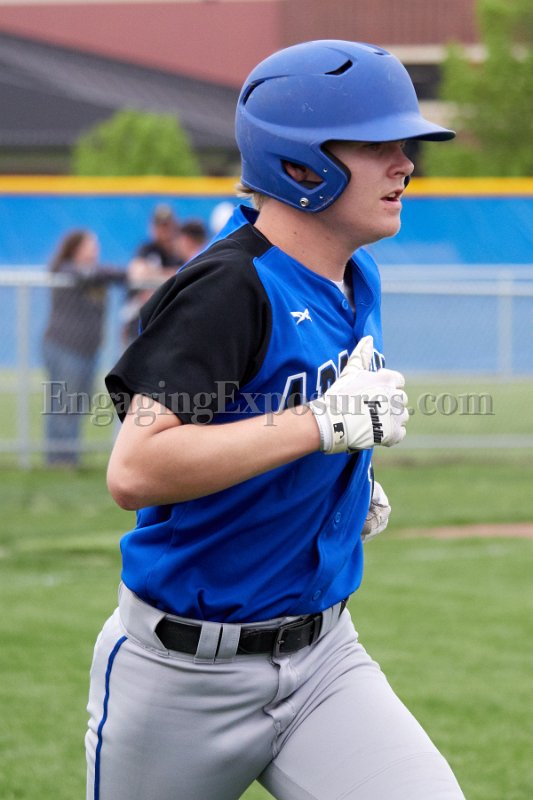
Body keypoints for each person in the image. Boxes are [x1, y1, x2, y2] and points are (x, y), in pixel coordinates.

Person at [86, 41, 465, 800]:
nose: (405, 165)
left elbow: (280, 420)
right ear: (300, 164)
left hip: (325, 660)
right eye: (378, 145)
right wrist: (319, 427)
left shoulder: (354, 275)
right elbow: (136, 469)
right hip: (182, 675)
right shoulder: (229, 287)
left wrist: (335, 488)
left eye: (405, 146)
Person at [42, 229, 126, 468]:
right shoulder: (65, 269)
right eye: (91, 245)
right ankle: (60, 459)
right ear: (76, 248)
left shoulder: (96, 273)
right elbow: (90, 274)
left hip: (87, 351)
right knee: (64, 404)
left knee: (77, 403)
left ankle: (68, 455)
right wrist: (125, 272)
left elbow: (111, 274)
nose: (96, 249)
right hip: (64, 347)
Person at [122, 203, 183, 344]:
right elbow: (136, 273)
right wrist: (170, 275)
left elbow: (185, 273)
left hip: (170, 322)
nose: (164, 230)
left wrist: (154, 276)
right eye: (160, 225)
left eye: (167, 225)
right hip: (141, 322)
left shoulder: (179, 253)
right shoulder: (147, 249)